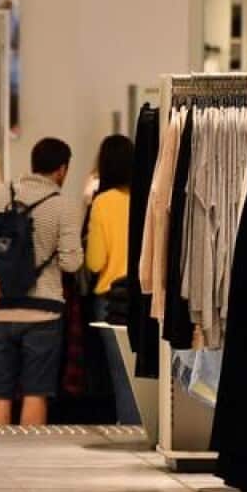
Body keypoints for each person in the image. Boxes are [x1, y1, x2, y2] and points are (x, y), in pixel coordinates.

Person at [0, 138, 84, 426]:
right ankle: (28, 460)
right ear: (62, 170)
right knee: (35, 392)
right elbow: (71, 263)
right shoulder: (65, 206)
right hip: (43, 310)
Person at [86, 134, 142, 424]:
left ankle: (129, 427)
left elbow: (95, 260)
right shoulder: (146, 199)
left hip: (112, 298)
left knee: (121, 373)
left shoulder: (103, 202)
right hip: (145, 295)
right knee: (144, 371)